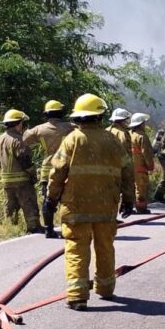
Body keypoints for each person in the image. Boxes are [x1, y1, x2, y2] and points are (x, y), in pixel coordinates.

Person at [44, 93, 135, 311]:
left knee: (76, 248)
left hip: (76, 206)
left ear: (79, 117)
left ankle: (77, 297)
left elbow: (57, 172)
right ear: (100, 116)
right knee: (105, 247)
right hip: (106, 206)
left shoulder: (72, 140)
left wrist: (50, 198)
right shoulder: (113, 140)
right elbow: (127, 172)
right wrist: (129, 200)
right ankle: (105, 288)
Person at [23, 100, 75, 238]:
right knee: (68, 200)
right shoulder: (71, 127)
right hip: (66, 167)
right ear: (61, 113)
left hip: (47, 168)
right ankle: (67, 229)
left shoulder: (39, 129)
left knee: (48, 199)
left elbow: (24, 140)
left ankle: (49, 229)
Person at [0, 109, 45, 235]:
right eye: (22, 123)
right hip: (22, 180)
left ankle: (10, 228)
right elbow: (25, 161)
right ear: (19, 123)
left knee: (10, 205)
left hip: (6, 180)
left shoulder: (0, 139)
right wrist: (33, 175)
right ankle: (34, 227)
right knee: (28, 202)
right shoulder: (19, 140)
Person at [129, 113, 155, 214]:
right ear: (140, 124)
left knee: (129, 187)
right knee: (141, 187)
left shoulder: (129, 134)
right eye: (144, 123)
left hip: (128, 167)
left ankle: (128, 208)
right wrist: (150, 166)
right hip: (140, 168)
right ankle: (141, 208)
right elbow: (147, 153)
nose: (145, 125)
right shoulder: (142, 136)